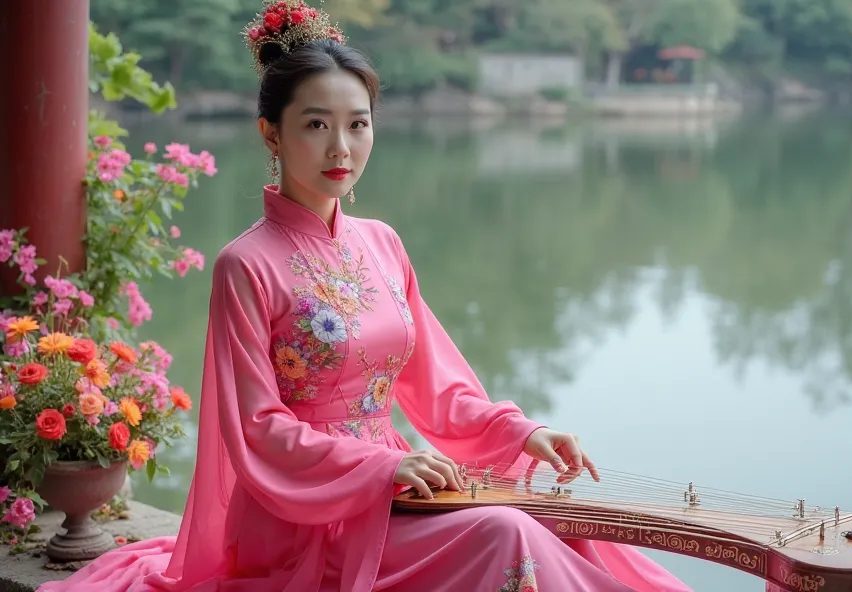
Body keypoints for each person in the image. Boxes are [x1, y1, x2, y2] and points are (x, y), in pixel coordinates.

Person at [38, 2, 693, 591]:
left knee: (555, 520)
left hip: (400, 475)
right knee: (505, 535)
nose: (341, 147)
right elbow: (260, 428)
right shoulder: (246, 265)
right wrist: (380, 470)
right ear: (272, 134)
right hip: (308, 506)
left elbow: (436, 388)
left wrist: (525, 432)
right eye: (317, 125)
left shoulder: (382, 243)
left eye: (358, 124)